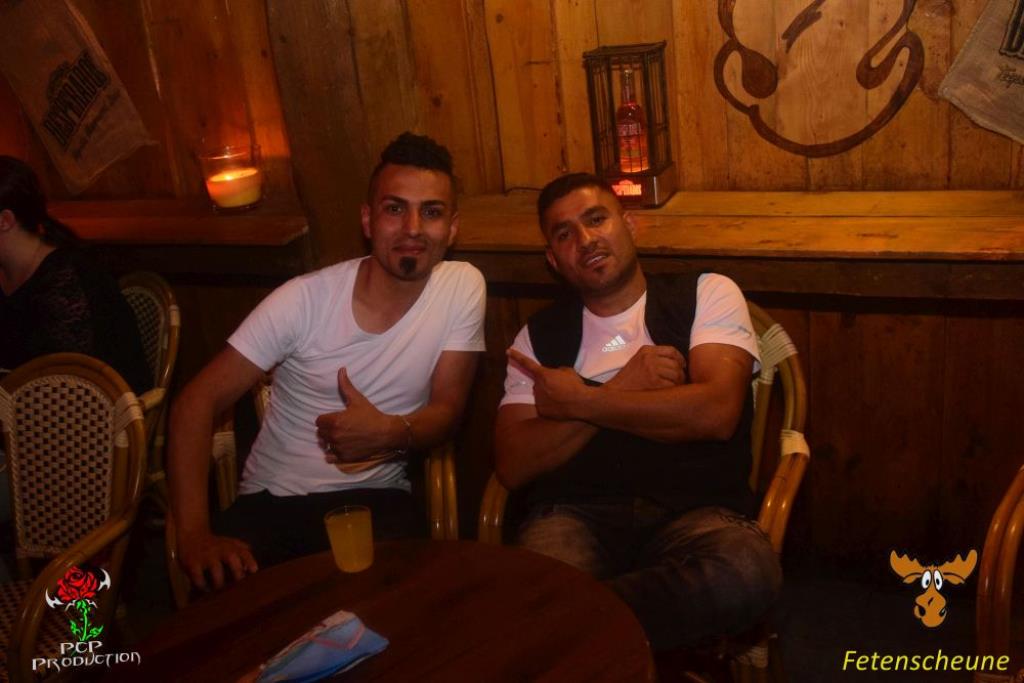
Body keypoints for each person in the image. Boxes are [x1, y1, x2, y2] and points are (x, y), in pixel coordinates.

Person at [169, 132, 486, 590]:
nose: (413, 228)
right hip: (274, 502)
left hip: (377, 501)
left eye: (431, 212)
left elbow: (447, 412)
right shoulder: (303, 300)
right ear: (368, 219)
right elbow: (196, 402)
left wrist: (388, 432)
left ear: (452, 229)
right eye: (395, 209)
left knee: (407, 604)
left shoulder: (462, 288)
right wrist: (194, 534)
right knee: (234, 614)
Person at [495, 173, 781, 651]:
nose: (586, 239)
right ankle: (590, 629)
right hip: (575, 515)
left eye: (596, 219)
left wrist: (581, 401)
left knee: (747, 570)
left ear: (629, 225)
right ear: (553, 259)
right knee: (540, 578)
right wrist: (627, 386)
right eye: (564, 233)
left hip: (695, 510)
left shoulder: (705, 293)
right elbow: (513, 462)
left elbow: (716, 412)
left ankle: (580, 623)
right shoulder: (537, 337)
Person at [0, 156, 151, 395]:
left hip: (96, 410)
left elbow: (70, 393)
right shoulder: (8, 272)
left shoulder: (68, 282)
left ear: (5, 221)